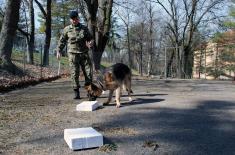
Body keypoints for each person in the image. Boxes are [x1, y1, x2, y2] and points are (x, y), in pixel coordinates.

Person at [56, 10, 94, 99]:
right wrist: (58, 51)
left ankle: (89, 91)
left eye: (76, 19)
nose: (74, 20)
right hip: (73, 55)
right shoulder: (66, 29)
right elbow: (61, 41)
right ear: (70, 20)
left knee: (88, 73)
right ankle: (76, 93)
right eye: (72, 19)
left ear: (78, 18)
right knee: (74, 74)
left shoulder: (84, 28)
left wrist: (91, 43)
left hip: (84, 54)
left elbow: (90, 38)